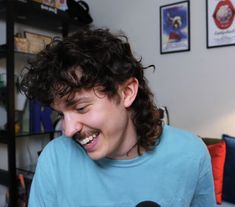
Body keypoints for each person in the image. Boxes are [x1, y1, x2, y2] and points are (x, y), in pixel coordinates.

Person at [19, 27, 216, 207]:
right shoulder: (54, 159)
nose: (68, 130)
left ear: (127, 92)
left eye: (80, 108)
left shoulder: (191, 154)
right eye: (61, 114)